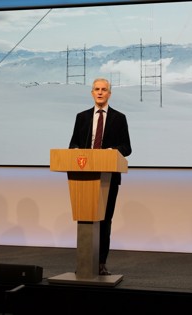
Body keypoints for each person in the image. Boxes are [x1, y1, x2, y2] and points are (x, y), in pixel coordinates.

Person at [69, 77, 132, 275]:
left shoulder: (119, 118)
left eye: (104, 89)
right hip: (84, 178)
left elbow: (127, 148)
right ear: (91, 93)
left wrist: (112, 151)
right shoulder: (82, 117)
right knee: (86, 219)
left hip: (109, 177)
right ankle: (86, 261)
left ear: (109, 93)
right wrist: (78, 151)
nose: (100, 92)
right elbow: (73, 145)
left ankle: (101, 262)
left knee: (104, 220)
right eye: (96, 89)